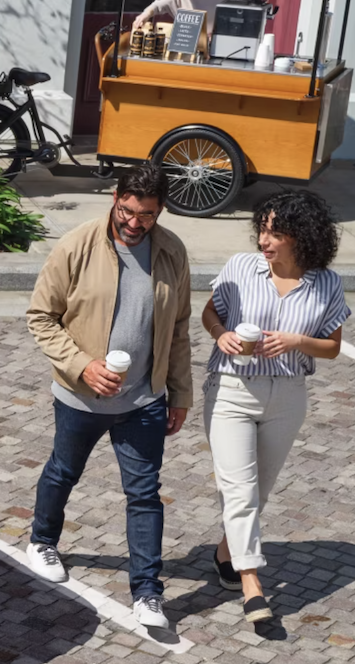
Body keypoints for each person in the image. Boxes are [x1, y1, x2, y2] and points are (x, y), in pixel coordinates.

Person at [24, 163, 193, 630]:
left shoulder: (171, 252)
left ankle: (148, 593)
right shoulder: (78, 244)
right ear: (115, 198)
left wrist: (178, 392)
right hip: (81, 397)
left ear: (160, 212)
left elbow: (178, 328)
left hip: (143, 400)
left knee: (144, 494)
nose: (135, 223)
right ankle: (42, 540)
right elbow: (41, 317)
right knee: (64, 470)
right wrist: (83, 365)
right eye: (129, 211)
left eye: (148, 215)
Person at [201, 190, 347, 623]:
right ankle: (252, 585)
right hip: (231, 387)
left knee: (258, 492)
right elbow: (212, 313)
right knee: (240, 491)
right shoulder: (242, 267)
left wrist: (296, 341)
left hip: (287, 395)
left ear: (301, 237)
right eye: (262, 229)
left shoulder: (326, 283)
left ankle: (226, 553)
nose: (265, 240)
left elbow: (333, 348)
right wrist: (219, 334)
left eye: (276, 232)